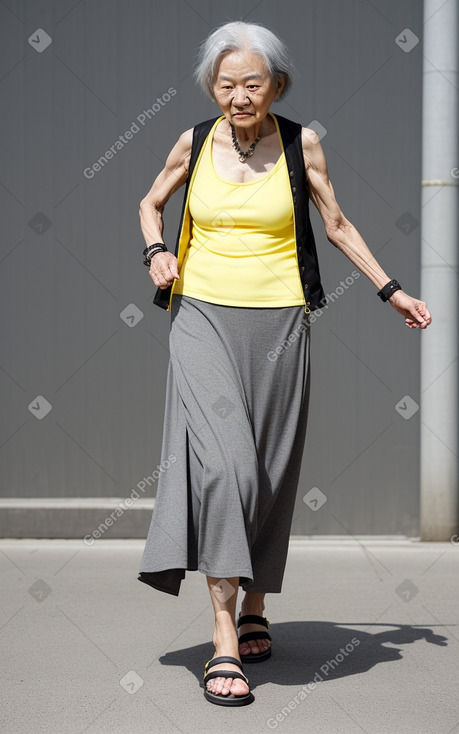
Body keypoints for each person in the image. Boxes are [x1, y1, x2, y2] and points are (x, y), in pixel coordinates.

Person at [137, 20, 432, 707]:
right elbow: (150, 205)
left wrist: (390, 290)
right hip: (201, 317)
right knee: (226, 465)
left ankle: (255, 603)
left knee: (268, 469)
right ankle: (221, 640)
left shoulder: (302, 145)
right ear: (212, 87)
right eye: (225, 83)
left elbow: (336, 224)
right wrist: (155, 252)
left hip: (281, 322)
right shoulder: (194, 141)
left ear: (275, 85)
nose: (238, 95)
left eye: (252, 83)